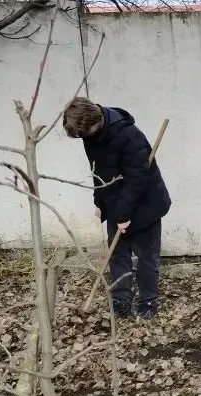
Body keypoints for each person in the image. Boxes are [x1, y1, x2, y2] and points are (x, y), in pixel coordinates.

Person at [63, 97, 171, 319]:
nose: (83, 138)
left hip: (146, 205)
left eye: (84, 134)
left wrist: (123, 215)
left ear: (95, 121)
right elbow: (98, 171)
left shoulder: (130, 136)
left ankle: (148, 300)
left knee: (146, 257)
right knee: (118, 256)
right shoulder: (90, 135)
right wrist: (99, 202)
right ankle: (121, 300)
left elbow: (137, 180)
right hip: (117, 204)